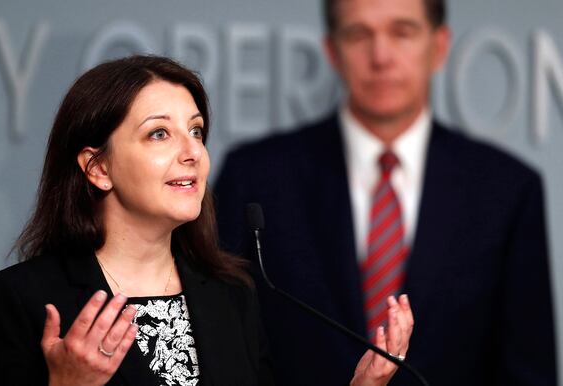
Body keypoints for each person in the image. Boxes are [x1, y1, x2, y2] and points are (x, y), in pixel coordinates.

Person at [0, 55, 413, 386]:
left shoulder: (231, 294)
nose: (192, 152)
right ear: (97, 168)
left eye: (196, 131)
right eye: (160, 133)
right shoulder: (21, 300)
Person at [214, 0, 557, 385]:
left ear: (439, 46)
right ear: (332, 51)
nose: (380, 56)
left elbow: (530, 372)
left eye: (402, 32)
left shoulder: (508, 189)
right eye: (359, 34)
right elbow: (222, 351)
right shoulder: (255, 177)